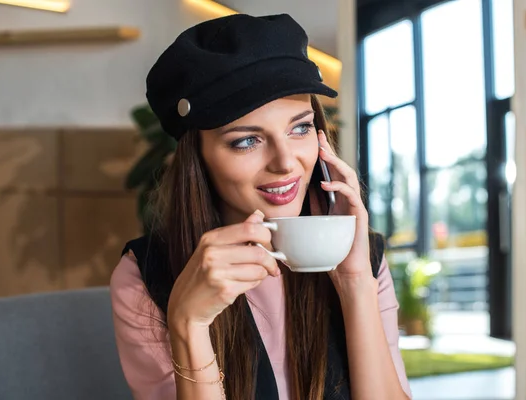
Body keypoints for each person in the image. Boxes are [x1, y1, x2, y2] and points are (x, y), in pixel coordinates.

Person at [110, 13, 412, 400]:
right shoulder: (146, 274)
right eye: (247, 141)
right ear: (197, 159)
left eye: (300, 127)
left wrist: (355, 285)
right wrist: (188, 323)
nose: (285, 162)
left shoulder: (362, 258)